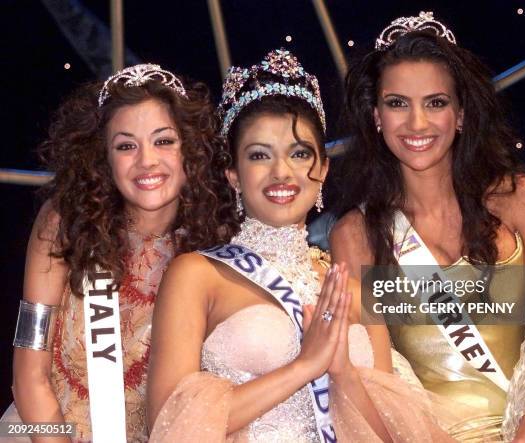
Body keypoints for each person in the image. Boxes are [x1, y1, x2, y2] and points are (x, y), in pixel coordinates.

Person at [147, 49, 461, 442]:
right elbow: (168, 421)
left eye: (299, 154)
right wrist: (304, 366)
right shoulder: (197, 274)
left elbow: (394, 433)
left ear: (323, 169)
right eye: (260, 155)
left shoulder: (350, 289)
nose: (282, 172)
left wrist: (342, 372)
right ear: (233, 174)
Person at [330, 12, 525, 442]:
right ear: (376, 117)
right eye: (398, 103)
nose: (417, 123)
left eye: (435, 102)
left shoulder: (524, 200)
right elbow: (377, 382)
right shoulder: (355, 235)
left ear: (460, 114)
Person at [4, 63, 232, 442]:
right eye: (126, 146)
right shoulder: (64, 224)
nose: (147, 161)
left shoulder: (216, 244)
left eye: (164, 141)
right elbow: (27, 376)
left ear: (190, 148)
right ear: (103, 159)